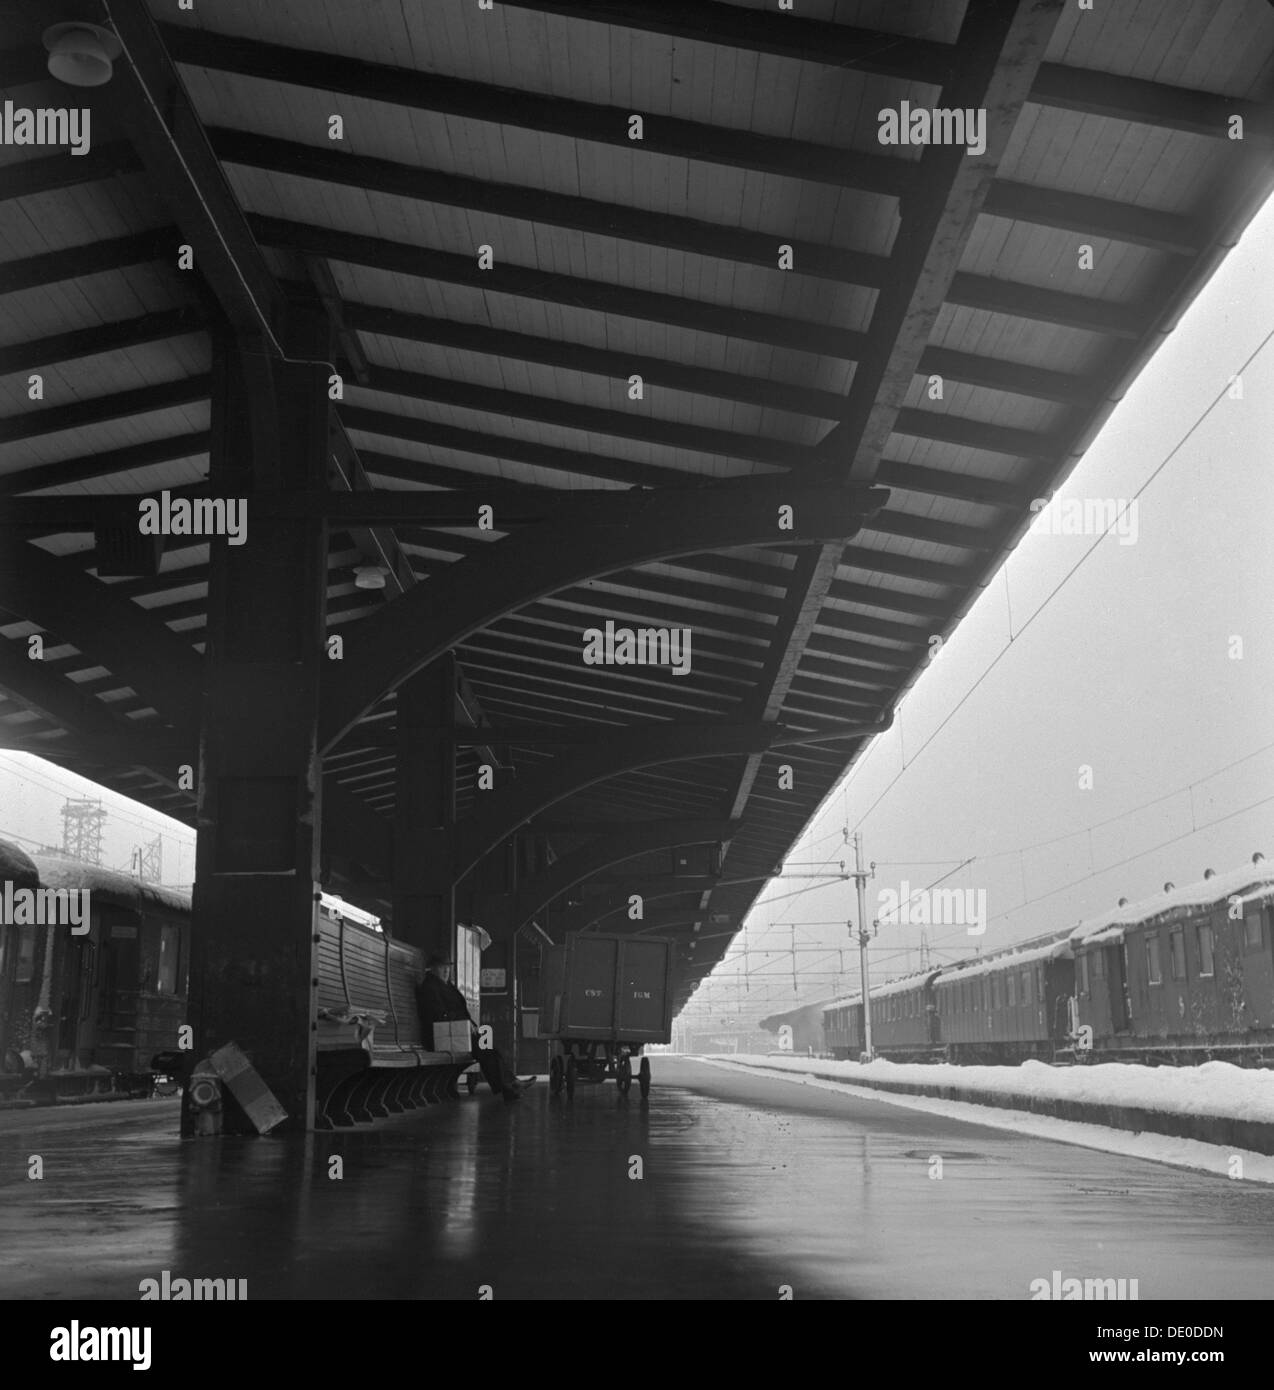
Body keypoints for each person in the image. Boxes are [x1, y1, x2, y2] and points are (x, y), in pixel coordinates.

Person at [415, 954, 531, 1103]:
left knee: (488, 1046)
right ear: (433, 969)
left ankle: (510, 1084)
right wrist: (463, 1021)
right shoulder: (430, 987)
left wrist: (471, 1025)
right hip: (442, 1036)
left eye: (448, 968)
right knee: (484, 1048)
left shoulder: (447, 985)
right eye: (442, 967)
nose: (446, 971)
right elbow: (438, 1014)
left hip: (456, 1032)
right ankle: (510, 1085)